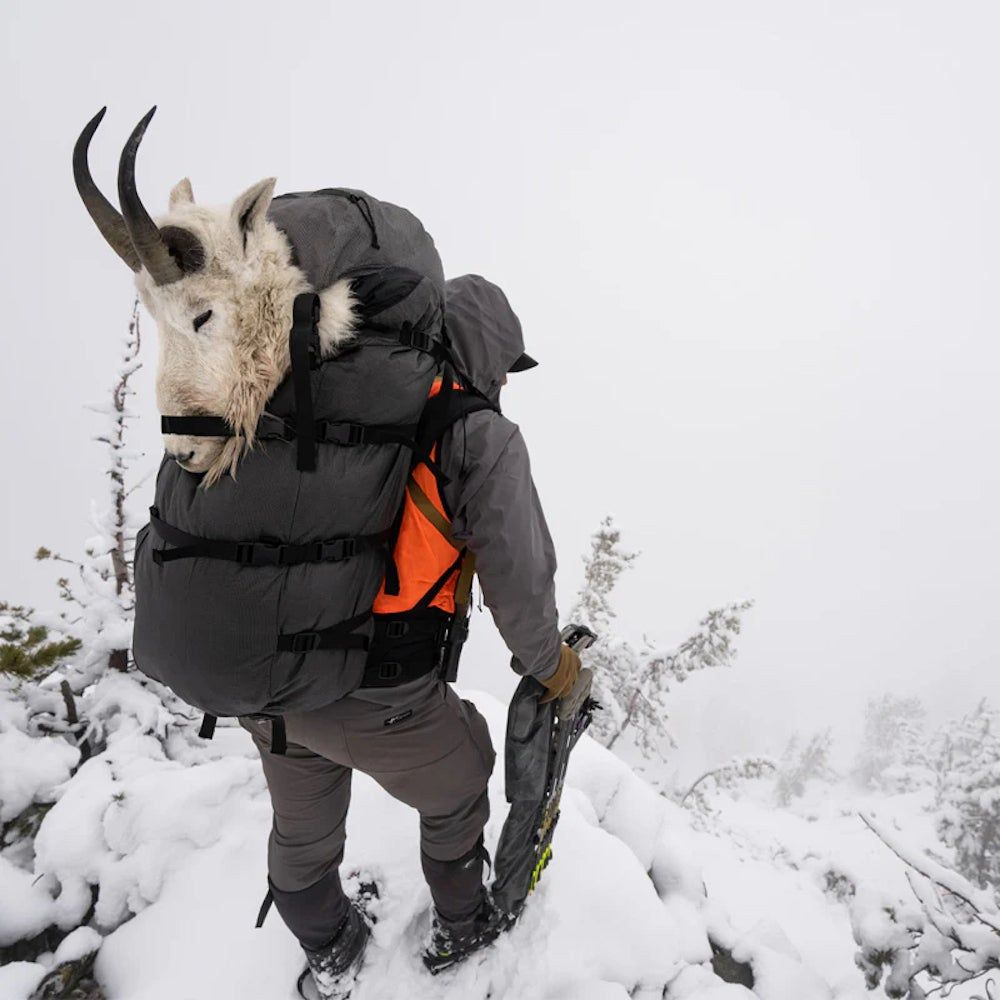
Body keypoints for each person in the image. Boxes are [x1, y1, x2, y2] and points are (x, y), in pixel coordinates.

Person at [238, 274, 582, 997]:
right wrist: (552, 666)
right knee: (461, 782)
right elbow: (519, 580)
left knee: (301, 829)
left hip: (264, 678)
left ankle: (331, 950)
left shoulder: (322, 400)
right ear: (487, 354)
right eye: (504, 368)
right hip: (378, 691)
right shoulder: (477, 434)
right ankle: (463, 925)